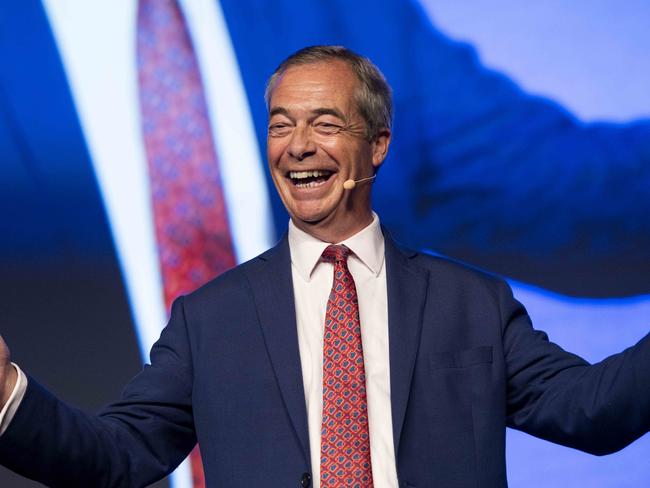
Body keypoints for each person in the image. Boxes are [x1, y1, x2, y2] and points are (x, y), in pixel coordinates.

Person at [0, 46, 649, 488]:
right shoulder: (209, 319)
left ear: (378, 146)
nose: (298, 146)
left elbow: (592, 413)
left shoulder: (470, 303)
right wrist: (8, 399)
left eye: (325, 123)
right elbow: (115, 455)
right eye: (281, 125)